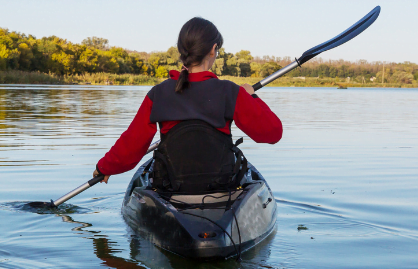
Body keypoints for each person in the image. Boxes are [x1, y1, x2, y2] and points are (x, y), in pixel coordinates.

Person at [94, 17, 283, 194]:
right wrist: (252, 97)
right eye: (217, 51)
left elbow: (132, 143)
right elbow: (273, 133)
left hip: (172, 187)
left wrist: (104, 167)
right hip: (220, 186)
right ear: (213, 49)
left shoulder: (158, 93)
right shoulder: (230, 92)